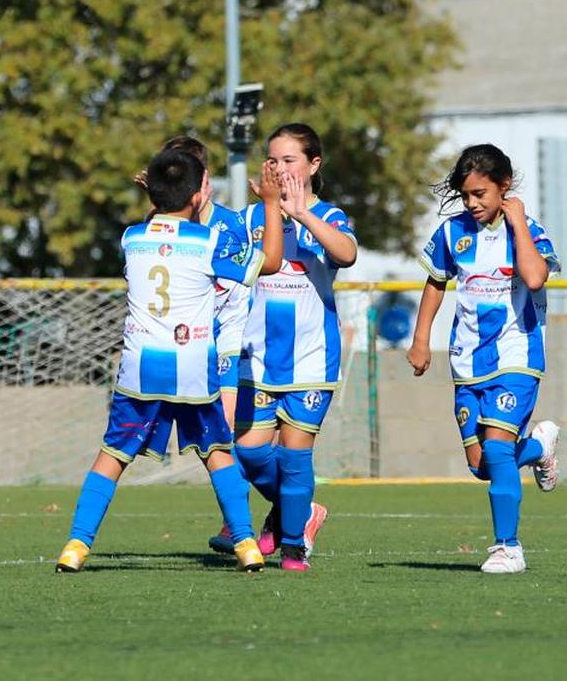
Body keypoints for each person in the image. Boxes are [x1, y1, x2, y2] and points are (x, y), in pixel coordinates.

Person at [54, 149, 283, 573]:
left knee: (112, 456)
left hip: (140, 368)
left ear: (152, 193)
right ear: (199, 196)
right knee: (217, 453)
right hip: (193, 369)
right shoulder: (209, 242)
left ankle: (75, 546)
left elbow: (161, 238)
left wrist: (158, 202)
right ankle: (247, 545)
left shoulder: (131, 239)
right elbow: (268, 263)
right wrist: (270, 203)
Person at [406, 144, 562, 574]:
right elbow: (436, 283)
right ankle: (538, 449)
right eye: (466, 195)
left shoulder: (529, 231)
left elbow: (534, 277)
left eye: (480, 194)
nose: (472, 203)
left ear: (504, 187)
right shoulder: (452, 233)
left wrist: (517, 224)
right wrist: (421, 340)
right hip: (468, 362)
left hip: (518, 354)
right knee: (481, 465)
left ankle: (508, 548)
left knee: (495, 450)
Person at [234, 123, 356, 571]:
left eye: (290, 160)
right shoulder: (251, 218)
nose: (280, 168)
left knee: (295, 454)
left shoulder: (329, 216)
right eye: (273, 160)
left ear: (313, 165)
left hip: (311, 358)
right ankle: (299, 511)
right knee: (247, 451)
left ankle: (292, 546)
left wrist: (301, 213)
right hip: (258, 358)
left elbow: (346, 254)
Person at [134, 136, 258, 554]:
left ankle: (275, 513)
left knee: (222, 439)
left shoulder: (230, 225)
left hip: (226, 343)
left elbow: (248, 279)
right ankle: (252, 520)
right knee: (223, 444)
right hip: (189, 349)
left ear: (202, 179)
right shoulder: (164, 224)